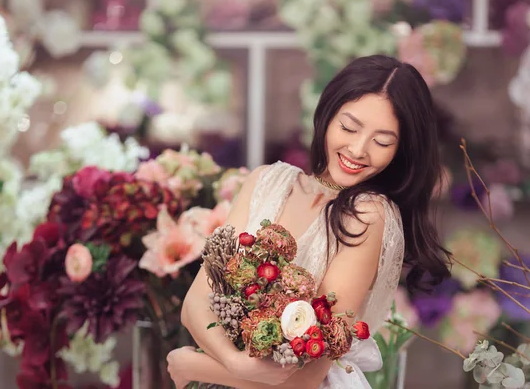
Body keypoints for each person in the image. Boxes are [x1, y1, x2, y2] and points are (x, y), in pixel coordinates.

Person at [167, 55, 451, 388]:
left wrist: (191, 366)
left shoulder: (368, 215)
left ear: (401, 150)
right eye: (349, 127)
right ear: (327, 115)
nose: (358, 149)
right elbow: (195, 303)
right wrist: (234, 363)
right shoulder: (265, 182)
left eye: (382, 141)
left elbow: (308, 378)